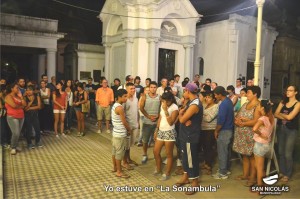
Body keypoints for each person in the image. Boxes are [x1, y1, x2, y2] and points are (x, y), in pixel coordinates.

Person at [175, 83, 203, 195]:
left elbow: (181, 119)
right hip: (184, 134)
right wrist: (182, 114)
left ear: (187, 91)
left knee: (191, 159)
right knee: (185, 158)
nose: (183, 93)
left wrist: (181, 114)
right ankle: (186, 176)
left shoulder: (195, 104)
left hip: (190, 136)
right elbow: (183, 115)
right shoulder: (190, 102)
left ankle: (195, 181)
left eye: (184, 91)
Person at [233, 86, 261, 186]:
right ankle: (245, 175)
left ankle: (253, 178)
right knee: (244, 155)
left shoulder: (258, 105)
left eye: (248, 92)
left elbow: (256, 121)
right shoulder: (245, 103)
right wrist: (237, 120)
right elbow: (237, 115)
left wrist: (244, 123)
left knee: (252, 156)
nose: (246, 94)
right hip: (241, 134)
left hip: (251, 134)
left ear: (255, 94)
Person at [274, 85, 299, 182]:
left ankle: (287, 174)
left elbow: (290, 118)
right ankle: (282, 171)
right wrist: (285, 115)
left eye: (290, 90)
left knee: (288, 153)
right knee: (281, 152)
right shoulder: (282, 102)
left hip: (291, 130)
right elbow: (275, 113)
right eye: (287, 90)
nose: (288, 92)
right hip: (281, 128)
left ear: (295, 92)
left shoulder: (297, 104)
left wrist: (281, 114)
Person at [153, 92, 179, 181]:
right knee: (156, 151)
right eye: (163, 101)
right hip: (161, 130)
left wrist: (165, 110)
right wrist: (156, 129)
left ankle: (167, 173)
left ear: (170, 100)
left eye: (165, 101)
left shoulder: (174, 107)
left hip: (169, 131)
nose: (164, 103)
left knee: (169, 154)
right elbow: (160, 118)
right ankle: (159, 168)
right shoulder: (163, 104)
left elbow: (171, 122)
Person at [212, 86, 234, 180]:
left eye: (216, 95)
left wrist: (216, 131)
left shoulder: (224, 104)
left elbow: (221, 121)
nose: (215, 97)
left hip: (224, 130)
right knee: (226, 151)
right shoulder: (228, 101)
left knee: (222, 152)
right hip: (229, 129)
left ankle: (222, 173)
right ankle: (226, 169)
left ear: (220, 94)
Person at [253, 100, 274, 187]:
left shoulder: (262, 119)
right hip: (266, 145)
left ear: (262, 108)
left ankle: (260, 186)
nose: (257, 107)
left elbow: (254, 129)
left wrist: (261, 134)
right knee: (259, 166)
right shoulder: (271, 117)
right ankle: (264, 182)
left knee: (259, 168)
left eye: (258, 106)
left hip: (260, 144)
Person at [111, 89, 131, 178]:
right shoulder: (120, 108)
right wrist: (129, 129)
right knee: (120, 153)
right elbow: (124, 121)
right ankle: (119, 172)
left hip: (115, 133)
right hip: (120, 134)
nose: (126, 98)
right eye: (125, 96)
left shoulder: (114, 105)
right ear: (119, 97)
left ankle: (115, 167)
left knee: (114, 152)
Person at [139, 81, 160, 164]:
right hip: (147, 122)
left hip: (156, 122)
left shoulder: (160, 97)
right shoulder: (145, 96)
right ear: (149, 88)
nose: (153, 89)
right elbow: (141, 108)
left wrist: (158, 116)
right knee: (145, 140)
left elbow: (162, 108)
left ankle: (156, 155)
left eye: (155, 87)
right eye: (151, 87)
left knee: (157, 140)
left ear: (157, 88)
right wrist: (148, 116)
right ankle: (144, 154)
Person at [5, 82, 27, 155]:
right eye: (16, 87)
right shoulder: (8, 96)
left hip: (21, 116)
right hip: (12, 116)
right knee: (16, 133)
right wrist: (21, 107)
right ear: (12, 89)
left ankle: (15, 145)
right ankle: (13, 147)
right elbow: (13, 105)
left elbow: (25, 104)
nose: (18, 89)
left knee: (18, 133)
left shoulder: (18, 96)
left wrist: (21, 97)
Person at [122, 83, 139, 170]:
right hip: (128, 126)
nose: (133, 90)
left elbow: (137, 111)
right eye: (131, 89)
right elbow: (122, 114)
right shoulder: (125, 100)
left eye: (134, 88)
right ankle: (124, 162)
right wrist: (126, 126)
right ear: (127, 89)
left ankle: (128, 159)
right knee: (125, 145)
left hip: (135, 125)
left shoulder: (136, 99)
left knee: (130, 144)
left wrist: (138, 122)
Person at [201, 91, 218, 175]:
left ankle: (209, 166)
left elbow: (209, 119)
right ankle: (206, 163)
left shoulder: (216, 106)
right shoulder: (205, 106)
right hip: (203, 129)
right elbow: (205, 117)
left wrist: (202, 114)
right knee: (204, 148)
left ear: (214, 99)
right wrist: (204, 115)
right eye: (206, 97)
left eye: (209, 97)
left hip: (210, 129)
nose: (207, 99)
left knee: (209, 148)